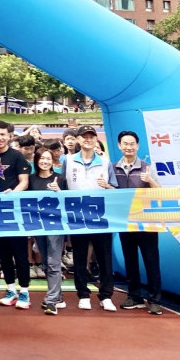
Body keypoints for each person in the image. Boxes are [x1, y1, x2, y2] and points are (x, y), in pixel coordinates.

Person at [60, 124, 118, 312]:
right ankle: (83, 294)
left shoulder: (105, 162)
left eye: (91, 136)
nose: (88, 139)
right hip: (77, 216)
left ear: (96, 140)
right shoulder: (68, 161)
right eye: (84, 136)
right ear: (78, 139)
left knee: (104, 257)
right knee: (80, 256)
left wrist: (107, 186)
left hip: (100, 216)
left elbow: (115, 189)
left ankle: (106, 295)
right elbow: (63, 186)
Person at [0, 120, 32, 310]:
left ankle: (24, 291)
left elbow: (24, 182)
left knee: (20, 254)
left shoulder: (17, 156)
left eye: (2, 134)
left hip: (15, 212)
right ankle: (11, 289)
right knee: (3, 253)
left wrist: (12, 193)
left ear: (9, 136)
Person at [113, 131, 163, 315]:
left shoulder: (147, 168)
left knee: (151, 260)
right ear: (119, 145)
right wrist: (105, 185)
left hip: (146, 223)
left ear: (138, 146)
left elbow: (160, 192)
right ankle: (134, 296)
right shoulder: (113, 168)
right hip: (125, 223)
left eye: (132, 143)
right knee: (130, 259)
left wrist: (150, 180)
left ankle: (155, 300)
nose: (129, 147)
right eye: (125, 144)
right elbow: (112, 193)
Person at [29, 148, 67, 315]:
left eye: (48, 158)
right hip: (38, 226)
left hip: (56, 226)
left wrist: (59, 192)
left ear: (53, 161)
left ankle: (51, 300)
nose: (45, 161)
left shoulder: (60, 178)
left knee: (53, 262)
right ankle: (57, 295)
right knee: (45, 261)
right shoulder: (31, 180)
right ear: (36, 160)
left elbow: (69, 201)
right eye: (42, 158)